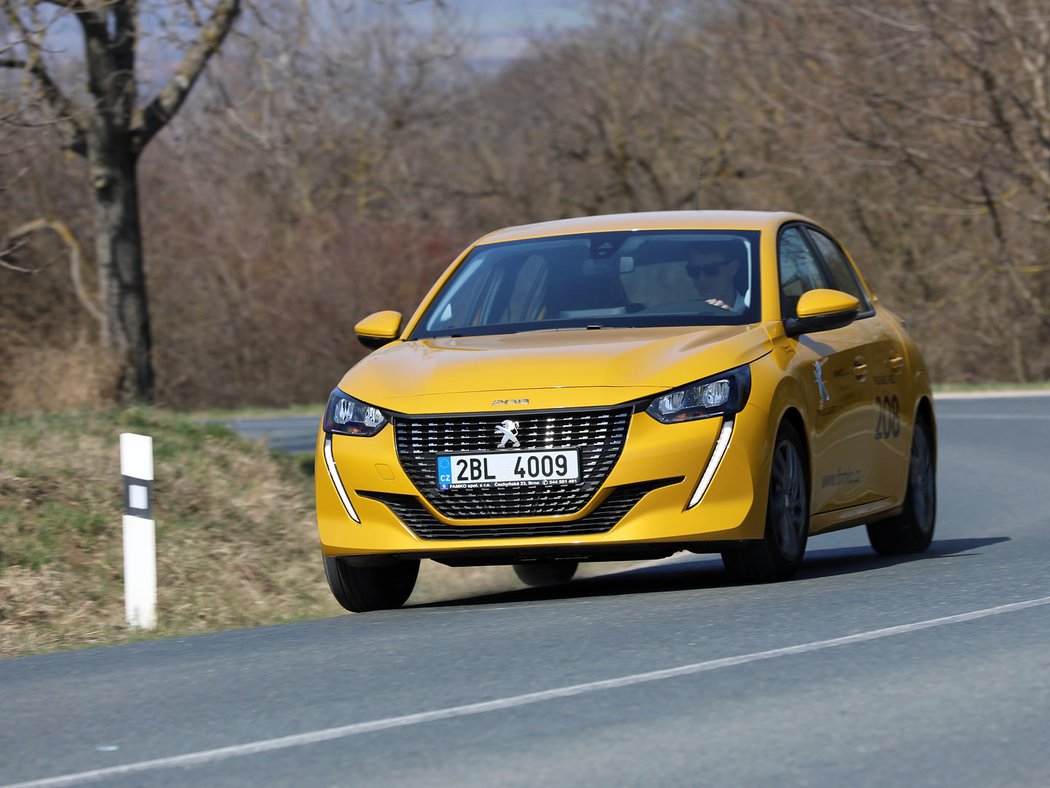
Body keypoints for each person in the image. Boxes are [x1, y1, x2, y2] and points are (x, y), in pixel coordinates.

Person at [686, 242, 747, 312]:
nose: (701, 278)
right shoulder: (686, 314)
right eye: (693, 271)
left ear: (733, 268)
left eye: (710, 270)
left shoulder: (755, 312)